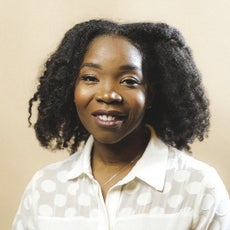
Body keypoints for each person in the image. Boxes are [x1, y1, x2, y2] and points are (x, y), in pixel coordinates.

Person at [13, 19, 230, 229]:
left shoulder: (199, 186)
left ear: (151, 94)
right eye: (90, 78)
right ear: (71, 87)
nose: (108, 94)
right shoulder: (44, 188)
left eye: (129, 81)